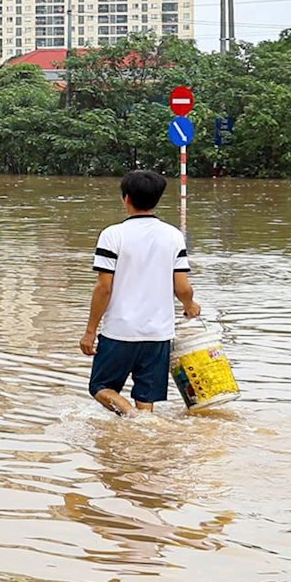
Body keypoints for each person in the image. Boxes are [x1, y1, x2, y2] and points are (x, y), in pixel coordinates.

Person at [81, 168, 198, 414]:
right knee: (146, 398)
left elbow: (104, 288)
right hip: (158, 333)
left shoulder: (112, 235)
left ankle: (133, 419)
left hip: (120, 332)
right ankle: (144, 432)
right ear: (157, 199)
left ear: (126, 199)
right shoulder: (174, 236)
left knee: (101, 386)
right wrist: (190, 306)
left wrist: (90, 331)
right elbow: (182, 287)